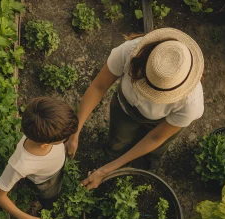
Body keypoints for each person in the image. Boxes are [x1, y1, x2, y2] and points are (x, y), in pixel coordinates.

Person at [65, 28, 205, 190]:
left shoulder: (191, 104)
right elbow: (98, 86)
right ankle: (112, 154)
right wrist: (75, 132)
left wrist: (104, 171)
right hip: (124, 109)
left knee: (154, 151)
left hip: (162, 122)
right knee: (118, 138)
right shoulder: (130, 51)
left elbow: (155, 138)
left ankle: (145, 167)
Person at [0, 97, 78, 219]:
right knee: (50, 197)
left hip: (55, 168)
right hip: (45, 182)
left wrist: (71, 140)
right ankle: (48, 206)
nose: (65, 140)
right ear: (45, 144)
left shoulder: (43, 122)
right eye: (63, 139)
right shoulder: (20, 164)